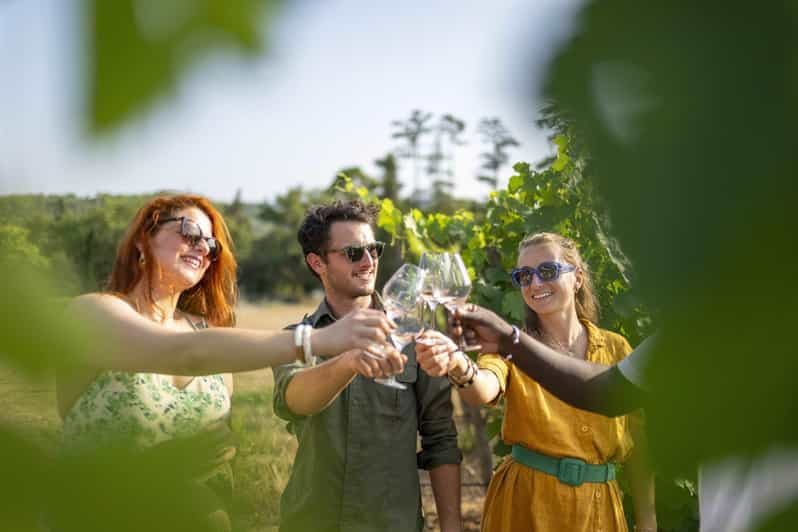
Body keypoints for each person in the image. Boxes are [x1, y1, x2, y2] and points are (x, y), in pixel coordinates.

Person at [55, 194, 398, 531]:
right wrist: (316, 340)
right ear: (144, 239)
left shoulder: (209, 334)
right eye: (190, 232)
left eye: (211, 244)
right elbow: (184, 353)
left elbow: (217, 463)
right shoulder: (92, 313)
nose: (204, 248)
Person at [416, 232, 656, 532]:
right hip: (526, 506)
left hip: (599, 511)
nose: (535, 283)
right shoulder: (514, 346)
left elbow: (638, 443)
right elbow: (483, 386)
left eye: (547, 271)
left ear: (577, 278)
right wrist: (457, 363)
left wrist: (648, 521)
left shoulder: (616, 348)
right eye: (524, 276)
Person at [271, 199, 463, 532]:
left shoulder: (417, 339)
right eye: (353, 253)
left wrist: (452, 525)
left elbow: (441, 439)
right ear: (317, 263)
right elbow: (293, 401)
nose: (369, 261)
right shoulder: (297, 339)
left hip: (392, 524)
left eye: (374, 250)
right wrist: (348, 362)